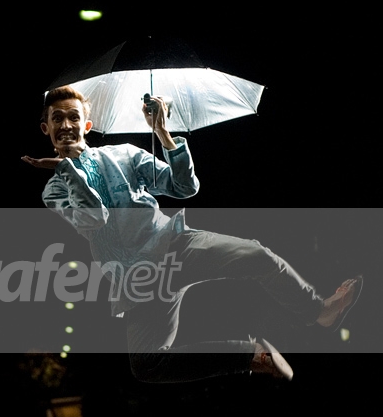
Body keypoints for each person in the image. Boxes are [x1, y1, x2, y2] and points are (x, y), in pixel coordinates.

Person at [22, 85, 362, 383]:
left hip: (173, 245)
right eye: (57, 118)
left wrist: (162, 133)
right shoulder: (55, 190)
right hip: (139, 280)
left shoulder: (123, 154)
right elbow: (94, 218)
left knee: (257, 255)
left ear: (87, 125)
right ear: (45, 128)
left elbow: (185, 187)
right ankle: (251, 356)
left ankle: (318, 311)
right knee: (147, 365)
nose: (66, 125)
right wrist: (68, 168)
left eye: (73, 117)